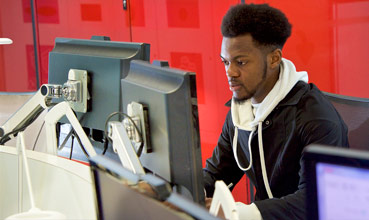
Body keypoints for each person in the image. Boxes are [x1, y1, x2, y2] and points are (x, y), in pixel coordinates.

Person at [203, 3, 349, 220]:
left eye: (241, 62)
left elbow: (315, 201)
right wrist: (173, 193)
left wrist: (237, 213)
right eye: (225, 62)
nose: (230, 72)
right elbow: (217, 173)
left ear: (274, 59)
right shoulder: (242, 109)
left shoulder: (316, 118)